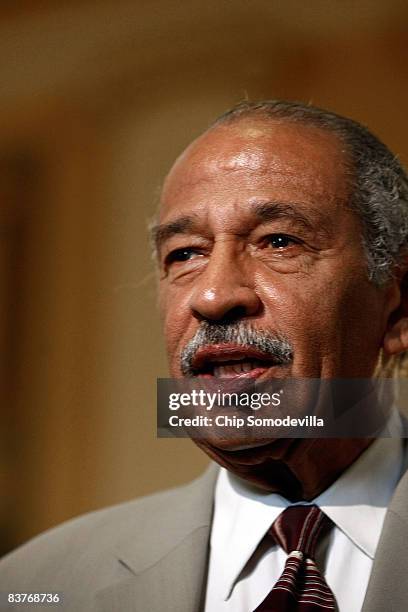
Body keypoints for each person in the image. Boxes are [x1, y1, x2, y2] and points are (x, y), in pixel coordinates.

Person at [1, 100, 408, 612]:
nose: (213, 297)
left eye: (278, 242)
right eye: (186, 254)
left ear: (398, 305)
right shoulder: (32, 585)